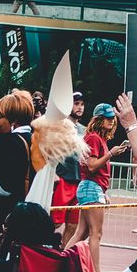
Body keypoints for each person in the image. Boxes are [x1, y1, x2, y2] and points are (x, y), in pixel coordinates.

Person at [66, 103, 127, 272]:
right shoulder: (94, 138)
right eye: (107, 117)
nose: (111, 120)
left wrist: (102, 191)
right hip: (90, 187)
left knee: (82, 232)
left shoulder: (96, 139)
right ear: (99, 119)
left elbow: (93, 169)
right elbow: (92, 166)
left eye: (112, 117)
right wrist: (111, 154)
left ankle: (62, 260)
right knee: (95, 233)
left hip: (90, 188)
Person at [0, 91, 35, 224]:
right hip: (29, 216)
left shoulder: (9, 142)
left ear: (13, 120)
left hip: (4, 217)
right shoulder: (35, 139)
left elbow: (6, 186)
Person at [51, 92, 88, 246]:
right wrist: (52, 172)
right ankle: (42, 251)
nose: (79, 107)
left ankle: (64, 256)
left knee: (73, 224)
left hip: (78, 181)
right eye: (76, 103)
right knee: (55, 222)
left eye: (81, 104)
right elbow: (48, 149)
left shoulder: (85, 130)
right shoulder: (58, 126)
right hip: (63, 179)